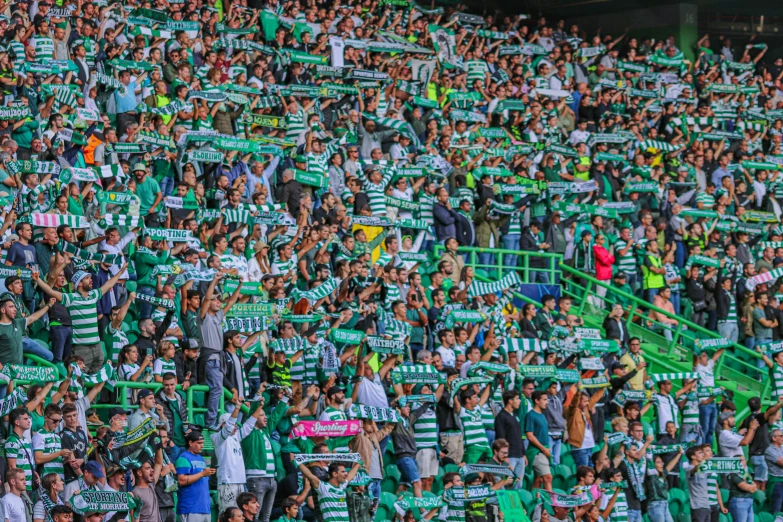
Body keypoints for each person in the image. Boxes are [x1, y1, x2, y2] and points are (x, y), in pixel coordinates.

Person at [175, 431, 216, 522]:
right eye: (199, 443)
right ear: (190, 443)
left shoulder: (201, 458)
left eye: (202, 443)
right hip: (190, 508)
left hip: (204, 508)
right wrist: (202, 474)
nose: (202, 446)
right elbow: (181, 480)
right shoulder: (184, 457)